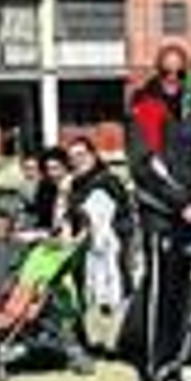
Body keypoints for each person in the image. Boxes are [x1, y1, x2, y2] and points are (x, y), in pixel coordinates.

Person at [127, 44, 191, 381]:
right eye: (166, 72)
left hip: (185, 213)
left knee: (181, 292)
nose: (173, 79)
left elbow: (189, 160)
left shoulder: (185, 108)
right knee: (162, 293)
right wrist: (180, 202)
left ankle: (175, 363)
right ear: (156, 73)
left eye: (180, 73)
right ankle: (158, 371)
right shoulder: (147, 107)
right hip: (161, 213)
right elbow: (145, 165)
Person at [66, 135, 134, 316]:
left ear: (93, 155)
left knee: (109, 297)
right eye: (72, 157)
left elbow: (99, 221)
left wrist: (76, 239)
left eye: (81, 155)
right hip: (88, 250)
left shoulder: (105, 182)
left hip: (108, 249)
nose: (77, 161)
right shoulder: (77, 183)